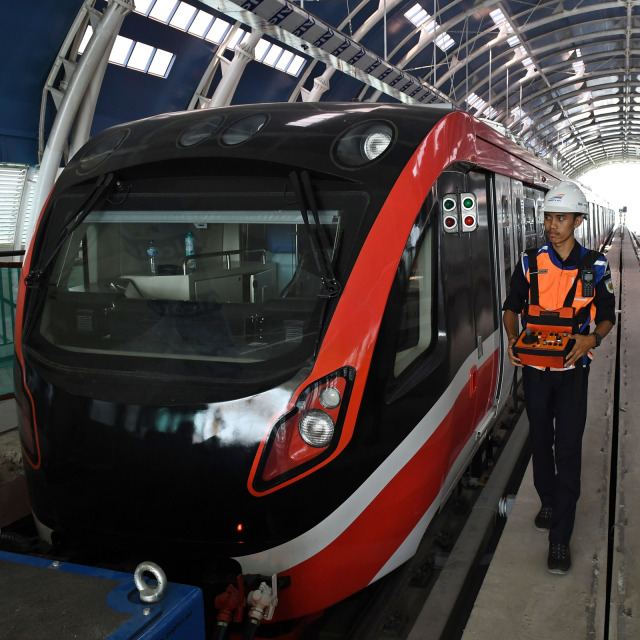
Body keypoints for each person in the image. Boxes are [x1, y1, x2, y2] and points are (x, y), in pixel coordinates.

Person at [502, 181, 616, 575]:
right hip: (534, 371)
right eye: (548, 217)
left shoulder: (596, 267)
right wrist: (512, 338)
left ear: (578, 222)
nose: (552, 225)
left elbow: (607, 316)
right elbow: (511, 307)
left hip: (572, 375)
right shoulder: (529, 263)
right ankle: (547, 499)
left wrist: (591, 339)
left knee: (567, 450)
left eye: (560, 218)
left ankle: (560, 540)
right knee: (539, 440)